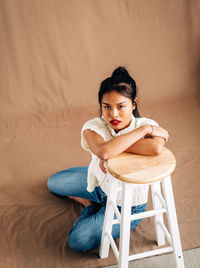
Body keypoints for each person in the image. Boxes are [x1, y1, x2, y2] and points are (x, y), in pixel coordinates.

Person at [47, 66, 169, 252]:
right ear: (101, 106)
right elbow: (103, 152)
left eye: (121, 106)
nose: (113, 114)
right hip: (98, 186)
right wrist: (143, 135)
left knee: (78, 241)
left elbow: (156, 147)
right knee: (53, 183)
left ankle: (89, 207)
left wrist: (134, 134)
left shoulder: (146, 124)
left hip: (126, 206)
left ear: (133, 104)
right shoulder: (93, 126)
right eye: (107, 107)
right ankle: (92, 200)